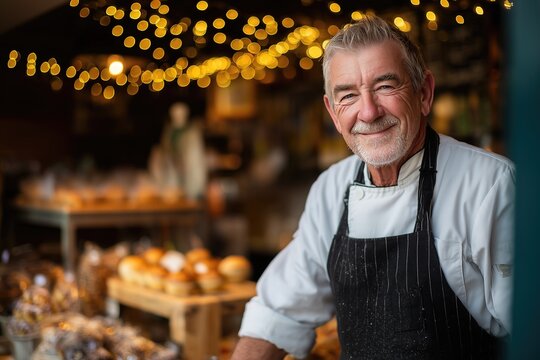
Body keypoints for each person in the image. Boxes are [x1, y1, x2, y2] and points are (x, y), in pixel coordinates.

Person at [231, 15, 514, 359]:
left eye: (385, 86)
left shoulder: (490, 186)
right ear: (333, 113)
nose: (368, 112)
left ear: (424, 93)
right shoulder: (331, 190)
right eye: (348, 95)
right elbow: (277, 313)